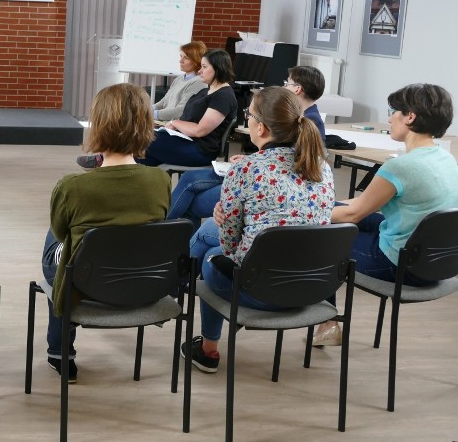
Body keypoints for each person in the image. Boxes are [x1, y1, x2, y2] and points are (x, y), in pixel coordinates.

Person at [184, 86, 334, 373]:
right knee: (211, 242)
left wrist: (225, 220)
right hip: (313, 288)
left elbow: (229, 248)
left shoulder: (245, 169)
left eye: (248, 115)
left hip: (261, 290)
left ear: (262, 128)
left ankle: (208, 350)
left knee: (211, 257)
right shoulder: (320, 165)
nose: (247, 120)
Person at [42, 83, 171, 382]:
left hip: (85, 281)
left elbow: (62, 234)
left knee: (57, 235)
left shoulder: (72, 186)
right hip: (140, 278)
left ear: (97, 125)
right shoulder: (161, 180)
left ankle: (60, 353)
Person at [314, 84, 458, 346]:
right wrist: (325, 204)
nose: (389, 118)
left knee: (324, 238)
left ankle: (328, 322)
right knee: (336, 212)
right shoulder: (446, 158)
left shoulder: (400, 167)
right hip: (437, 262)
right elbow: (362, 205)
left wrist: (308, 211)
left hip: (400, 265)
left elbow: (354, 213)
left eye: (392, 111)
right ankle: (328, 323)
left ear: (410, 117)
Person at [167, 65, 328, 232]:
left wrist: (252, 163)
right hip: (260, 172)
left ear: (297, 89)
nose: (283, 86)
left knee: (191, 199)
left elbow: (288, 164)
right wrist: (250, 160)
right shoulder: (299, 117)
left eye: (286, 83)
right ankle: (178, 244)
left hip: (266, 181)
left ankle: (165, 235)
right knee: (189, 180)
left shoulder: (307, 123)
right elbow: (279, 156)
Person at [77, 41, 208, 169]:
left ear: (196, 60)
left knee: (133, 132)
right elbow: (163, 102)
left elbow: (180, 111)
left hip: (173, 127)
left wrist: (150, 113)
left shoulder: (198, 83)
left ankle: (107, 160)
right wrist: (148, 109)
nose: (181, 61)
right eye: (181, 57)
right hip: (162, 122)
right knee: (126, 126)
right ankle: (107, 159)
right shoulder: (180, 78)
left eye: (186, 58)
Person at [137, 48, 238, 167]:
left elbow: (200, 130)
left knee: (142, 140)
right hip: (184, 139)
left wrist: (174, 122)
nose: (200, 71)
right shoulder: (205, 91)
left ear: (218, 68)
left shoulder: (223, 97)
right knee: (139, 151)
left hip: (199, 150)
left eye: (204, 67)